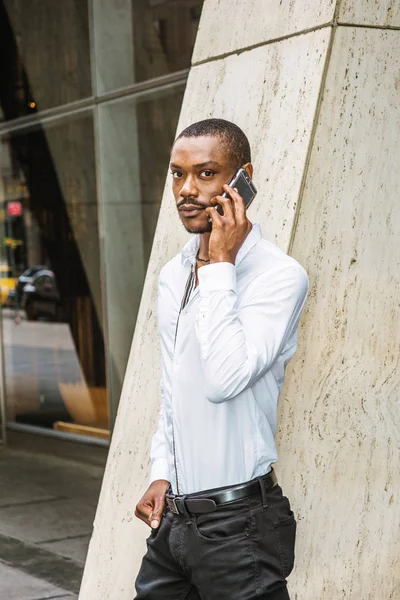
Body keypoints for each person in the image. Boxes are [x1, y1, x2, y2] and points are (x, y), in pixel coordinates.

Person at [134, 118, 309, 600]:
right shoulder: (173, 274)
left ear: (241, 178)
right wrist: (162, 469)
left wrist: (221, 265)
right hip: (174, 523)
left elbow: (224, 378)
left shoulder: (279, 277)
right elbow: (174, 389)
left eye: (206, 173)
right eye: (177, 174)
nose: (186, 190)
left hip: (240, 530)